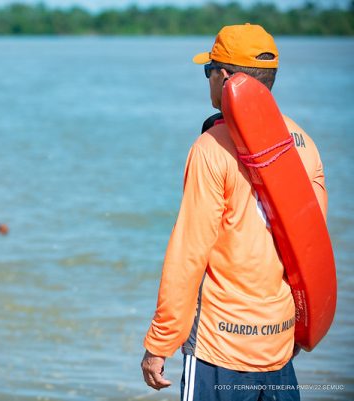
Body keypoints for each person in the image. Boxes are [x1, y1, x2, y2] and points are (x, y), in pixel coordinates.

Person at [140, 24, 327, 401]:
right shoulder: (304, 143)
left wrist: (160, 343)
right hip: (278, 348)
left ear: (223, 77)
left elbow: (189, 254)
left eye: (207, 70)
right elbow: (313, 249)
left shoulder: (211, 148)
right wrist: (302, 331)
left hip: (217, 349)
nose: (206, 78)